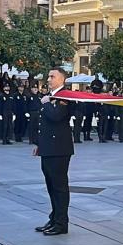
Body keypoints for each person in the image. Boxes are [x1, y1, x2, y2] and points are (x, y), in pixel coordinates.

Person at [33, 67, 75, 236]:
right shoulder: (51, 97)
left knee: (59, 187)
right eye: (48, 76)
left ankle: (61, 223)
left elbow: (57, 116)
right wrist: (39, 144)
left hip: (59, 149)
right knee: (51, 186)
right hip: (48, 148)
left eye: (52, 76)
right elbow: (44, 125)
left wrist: (46, 104)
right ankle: (54, 218)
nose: (48, 79)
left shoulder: (65, 96)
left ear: (62, 79)